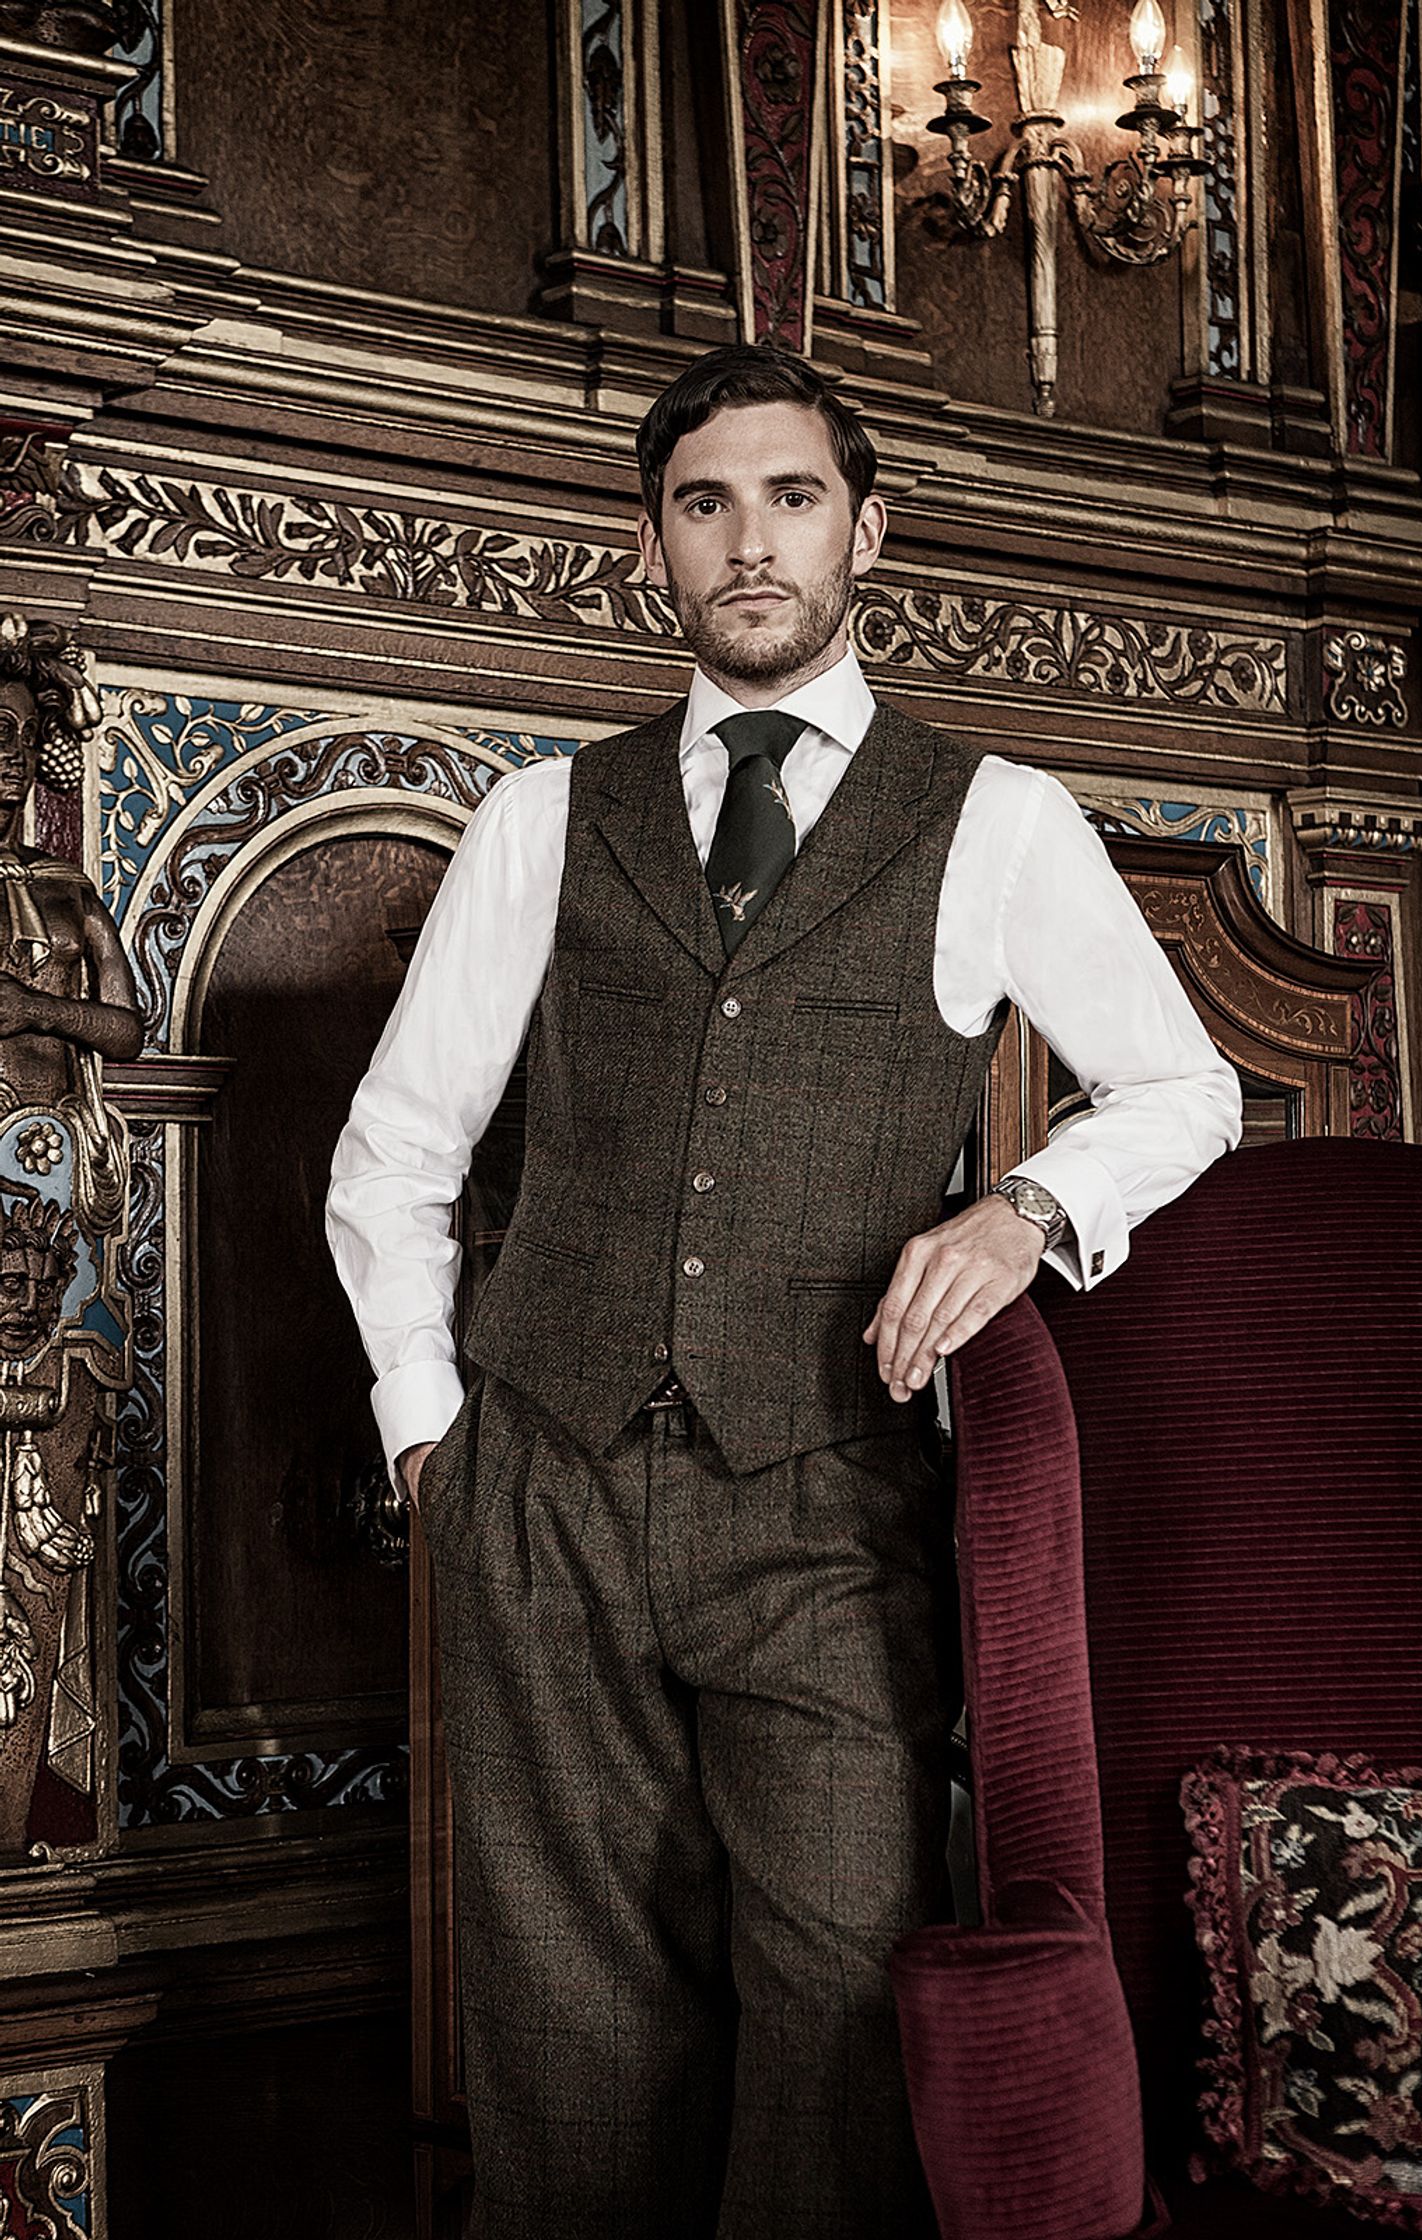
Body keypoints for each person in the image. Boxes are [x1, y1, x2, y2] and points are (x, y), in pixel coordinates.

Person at [327, 343, 1242, 2240]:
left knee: (835, 2009)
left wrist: (1022, 1221)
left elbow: (1184, 1087)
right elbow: (395, 1153)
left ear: (866, 530)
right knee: (562, 2023)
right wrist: (433, 1434)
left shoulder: (989, 819)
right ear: (652, 545)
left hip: (829, 1495)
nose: (750, 541)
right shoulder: (540, 822)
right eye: (704, 503)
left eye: (792, 497)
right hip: (543, 1493)